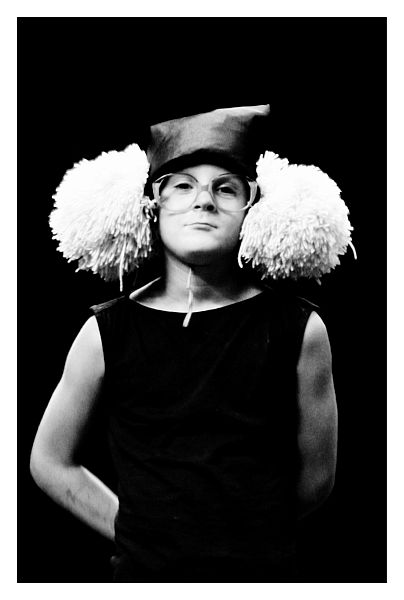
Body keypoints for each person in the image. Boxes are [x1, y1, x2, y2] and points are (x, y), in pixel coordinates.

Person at [30, 104, 352, 582]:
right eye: (182, 186)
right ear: (151, 205)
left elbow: (318, 477)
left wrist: (248, 535)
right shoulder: (105, 331)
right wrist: (143, 533)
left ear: (253, 209)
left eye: (226, 188)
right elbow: (50, 461)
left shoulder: (300, 328)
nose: (204, 201)